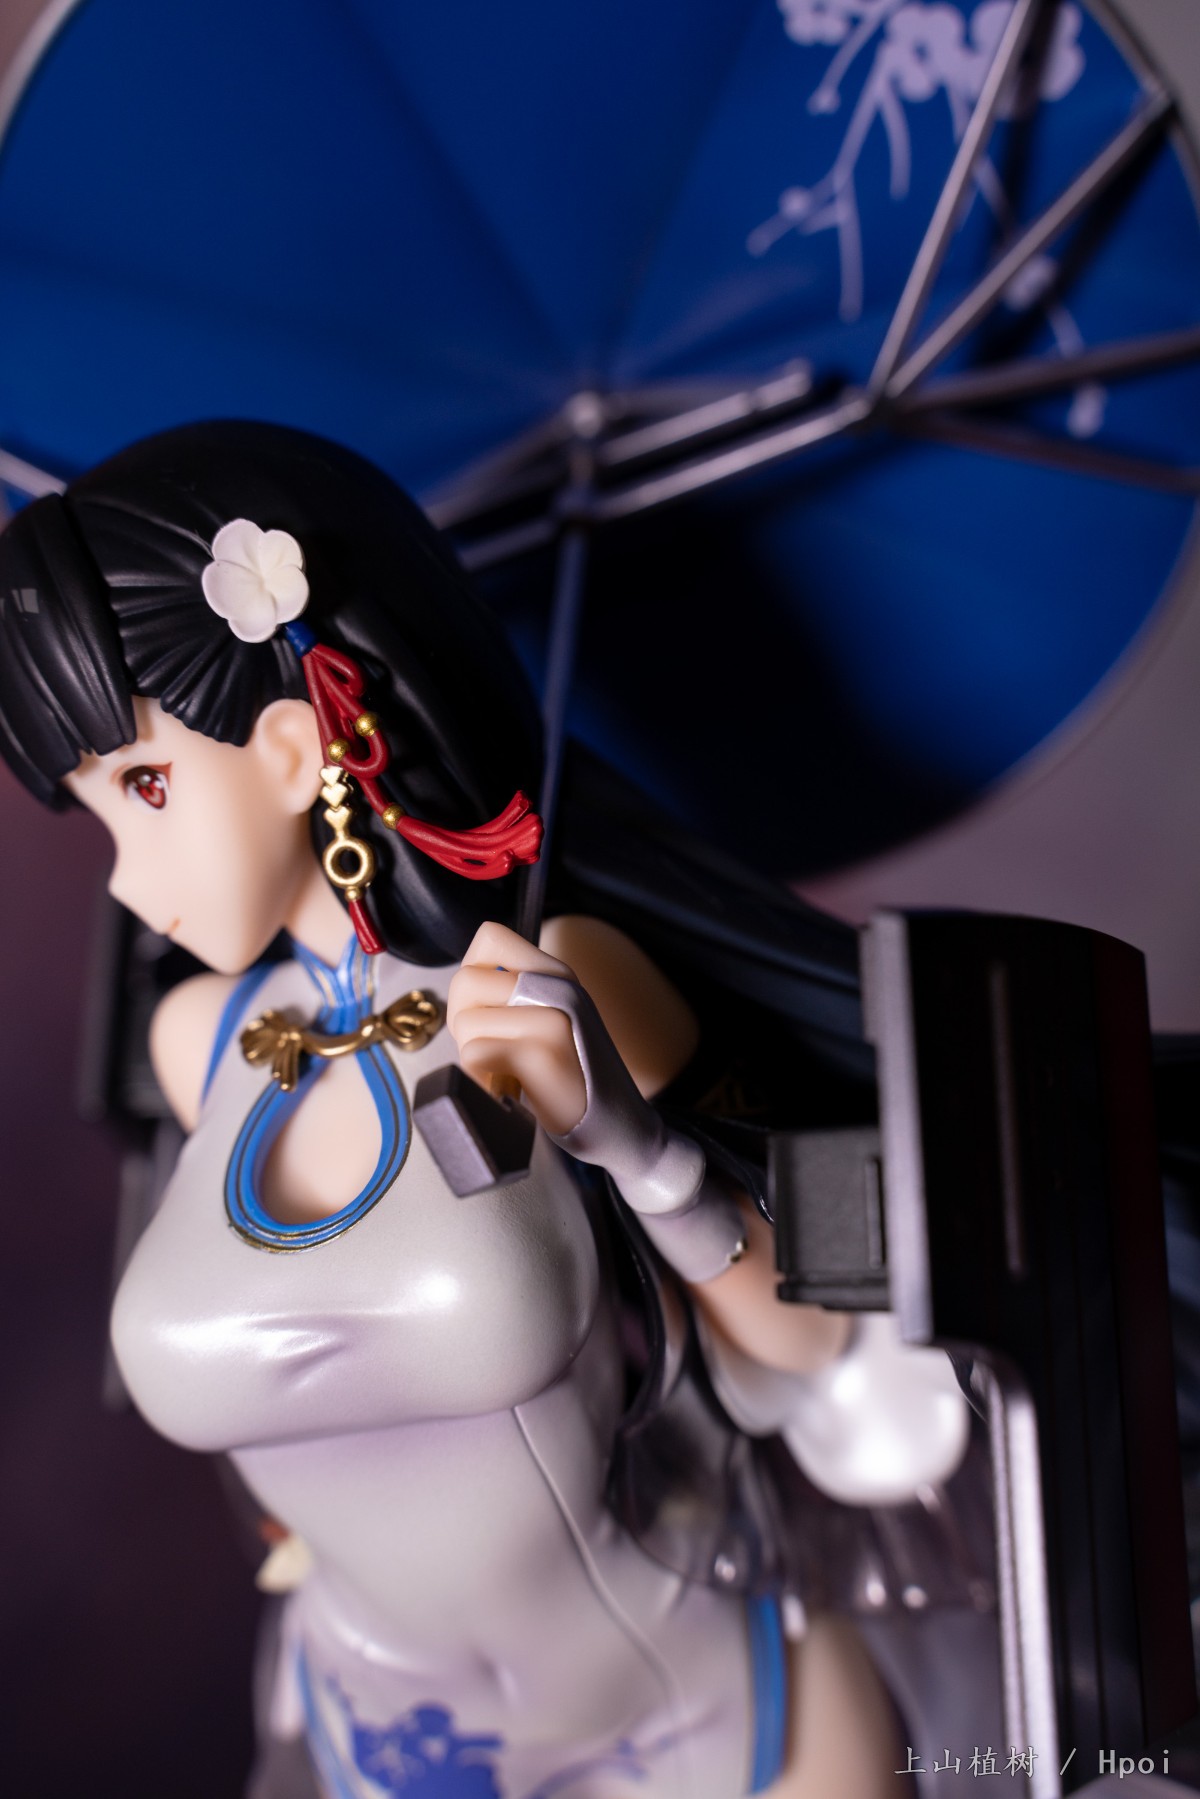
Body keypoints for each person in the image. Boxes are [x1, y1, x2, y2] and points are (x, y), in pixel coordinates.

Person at [0, 420, 957, 1799]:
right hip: (382, 1737)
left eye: (146, 787)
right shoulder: (195, 1044)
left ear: (293, 749)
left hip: (710, 1703)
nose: (122, 875)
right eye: (98, 811)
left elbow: (816, 1353)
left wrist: (635, 1147)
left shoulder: (552, 988)